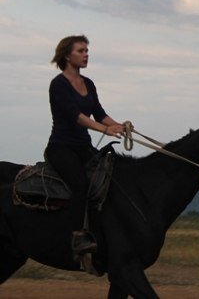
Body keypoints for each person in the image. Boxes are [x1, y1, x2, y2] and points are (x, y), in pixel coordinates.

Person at [45, 35, 130, 261]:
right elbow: (77, 117)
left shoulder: (89, 83)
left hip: (84, 147)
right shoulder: (58, 84)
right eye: (81, 51)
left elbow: (100, 113)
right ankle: (77, 236)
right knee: (81, 183)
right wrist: (105, 130)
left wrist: (119, 125)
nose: (86, 55)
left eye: (86, 51)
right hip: (61, 147)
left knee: (111, 178)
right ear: (67, 56)